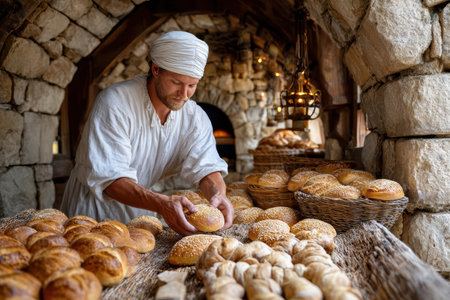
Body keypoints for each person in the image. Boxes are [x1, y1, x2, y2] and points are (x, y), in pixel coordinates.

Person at [60, 31, 233, 235]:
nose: (184, 94)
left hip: (137, 216)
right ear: (156, 69)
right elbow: (110, 180)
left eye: (192, 85)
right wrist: (161, 203)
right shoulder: (115, 103)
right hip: (90, 215)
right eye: (176, 82)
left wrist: (218, 194)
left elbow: (206, 167)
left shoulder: (195, 117)